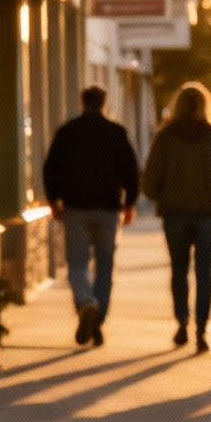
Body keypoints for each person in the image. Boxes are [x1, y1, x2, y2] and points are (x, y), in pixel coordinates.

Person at [141, 83, 211, 354]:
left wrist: (161, 193)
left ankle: (182, 321)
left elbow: (150, 181)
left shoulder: (165, 137)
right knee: (204, 271)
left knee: (178, 270)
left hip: (174, 213)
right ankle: (202, 330)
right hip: (209, 213)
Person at [42, 85, 140, 348]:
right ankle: (98, 317)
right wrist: (129, 203)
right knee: (105, 264)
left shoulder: (67, 132)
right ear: (104, 103)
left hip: (75, 207)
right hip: (108, 208)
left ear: (81, 103)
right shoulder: (116, 133)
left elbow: (51, 168)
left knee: (77, 263)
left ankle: (87, 302)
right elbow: (131, 170)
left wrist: (53, 201)